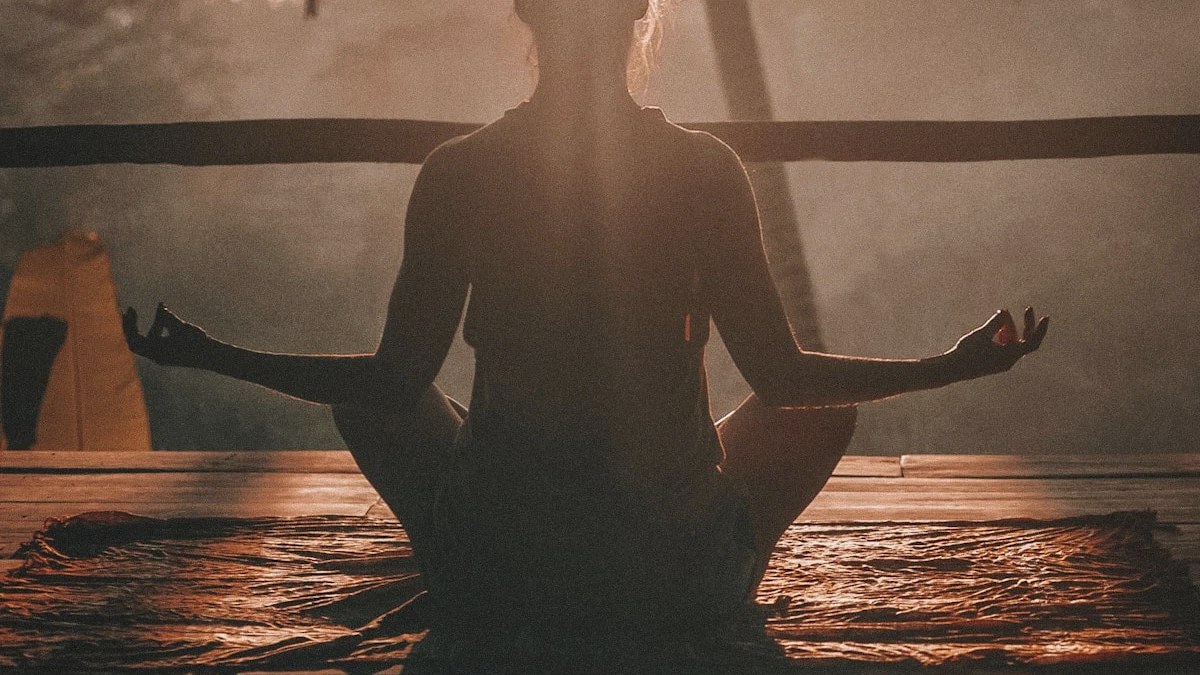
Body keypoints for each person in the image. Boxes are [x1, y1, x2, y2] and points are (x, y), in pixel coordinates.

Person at [124, 0, 1048, 665]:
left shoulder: (461, 171)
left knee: (378, 407)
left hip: (503, 566)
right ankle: (715, 582)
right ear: (642, 14)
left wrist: (213, 353)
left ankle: (461, 561)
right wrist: (952, 366)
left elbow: (391, 379)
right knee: (822, 413)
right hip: (665, 572)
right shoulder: (704, 169)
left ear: (526, 13)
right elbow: (784, 373)